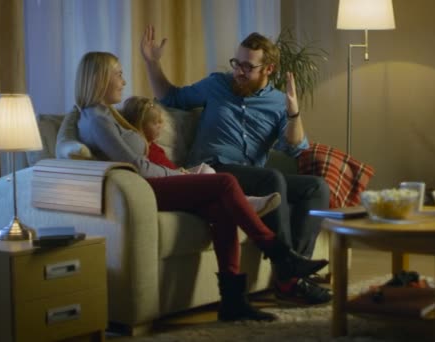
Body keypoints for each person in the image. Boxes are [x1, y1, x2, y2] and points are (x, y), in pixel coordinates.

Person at [71, 51, 329, 322]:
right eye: (118, 74)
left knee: (222, 210)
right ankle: (279, 252)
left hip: (152, 184)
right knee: (225, 181)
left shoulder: (104, 114)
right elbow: (138, 166)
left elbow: (295, 146)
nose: (124, 81)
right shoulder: (96, 119)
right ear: (99, 78)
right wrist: (180, 175)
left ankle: (232, 302)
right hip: (144, 190)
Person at [140, 25, 331, 305]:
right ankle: (290, 280)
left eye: (248, 67)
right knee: (272, 180)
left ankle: (291, 274)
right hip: (212, 171)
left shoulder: (278, 102)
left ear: (269, 69)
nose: (239, 71)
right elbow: (172, 97)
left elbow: (293, 148)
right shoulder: (216, 85)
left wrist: (293, 113)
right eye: (237, 63)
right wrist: (152, 62)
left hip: (249, 175)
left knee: (316, 187)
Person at [120, 95, 280, 217]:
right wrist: (178, 174)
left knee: (206, 169)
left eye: (161, 121)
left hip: (177, 177)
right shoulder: (141, 147)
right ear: (140, 124)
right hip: (170, 185)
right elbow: (153, 171)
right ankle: (246, 202)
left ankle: (244, 201)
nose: (161, 126)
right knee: (221, 180)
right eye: (156, 123)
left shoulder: (154, 146)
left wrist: (180, 171)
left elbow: (166, 167)